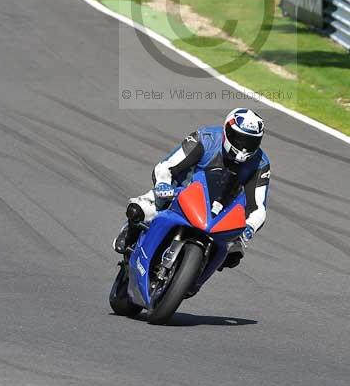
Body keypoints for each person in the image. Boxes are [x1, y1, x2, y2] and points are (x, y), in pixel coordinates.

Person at [113, 107, 270, 270]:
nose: (244, 148)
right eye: (239, 139)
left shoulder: (260, 163)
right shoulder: (205, 139)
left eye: (250, 142)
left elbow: (258, 207)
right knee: (140, 210)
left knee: (233, 253)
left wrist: (249, 227)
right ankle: (131, 231)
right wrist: (162, 184)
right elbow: (167, 165)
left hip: (220, 213)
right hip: (180, 194)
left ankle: (196, 274)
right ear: (226, 132)